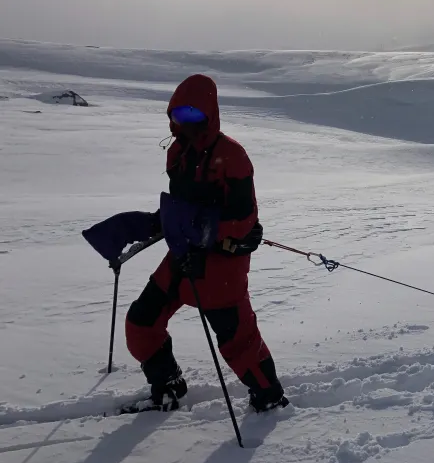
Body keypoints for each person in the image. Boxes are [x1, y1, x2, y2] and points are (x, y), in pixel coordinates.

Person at [83, 74, 288, 413]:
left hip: (222, 266)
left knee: (239, 344)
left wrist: (204, 233)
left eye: (192, 114)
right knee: (141, 323)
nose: (184, 123)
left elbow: (243, 218)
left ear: (209, 114)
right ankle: (168, 386)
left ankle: (269, 400)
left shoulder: (233, 156)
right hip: (181, 258)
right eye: (178, 116)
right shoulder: (177, 153)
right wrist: (151, 223)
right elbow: (181, 207)